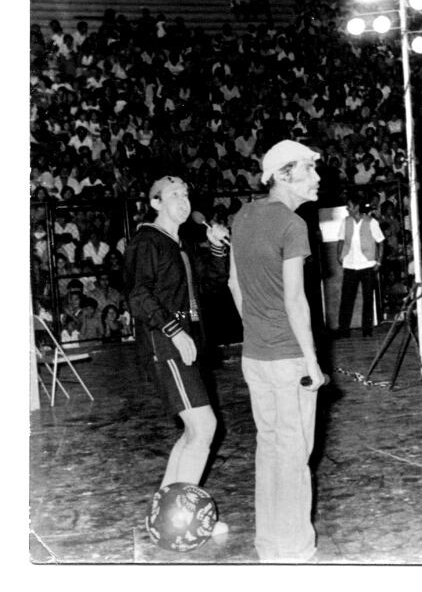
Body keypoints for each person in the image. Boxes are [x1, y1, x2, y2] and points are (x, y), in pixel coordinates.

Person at [228, 140, 327, 563]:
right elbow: (295, 299)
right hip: (289, 359)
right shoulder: (292, 224)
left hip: (255, 356)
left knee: (269, 451)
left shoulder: (243, 216)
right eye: (309, 169)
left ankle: (269, 546)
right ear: (285, 175)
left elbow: (234, 284)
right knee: (293, 456)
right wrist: (312, 361)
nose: (317, 178)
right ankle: (296, 551)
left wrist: (256, 331)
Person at [124, 175, 231, 504]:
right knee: (204, 427)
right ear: (155, 203)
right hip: (166, 344)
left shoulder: (180, 243)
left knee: (193, 431)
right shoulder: (146, 241)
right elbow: (138, 295)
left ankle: (166, 512)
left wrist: (216, 248)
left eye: (185, 194)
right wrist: (173, 330)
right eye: (173, 195)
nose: (183, 201)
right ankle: (181, 513)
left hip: (186, 343)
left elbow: (210, 286)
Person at [337, 199, 383, 338]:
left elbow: (381, 242)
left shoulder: (371, 222)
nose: (347, 209)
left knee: (368, 298)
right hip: (350, 264)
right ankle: (343, 330)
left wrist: (379, 261)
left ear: (357, 207)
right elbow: (341, 240)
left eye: (349, 206)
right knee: (346, 298)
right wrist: (339, 255)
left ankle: (367, 330)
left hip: (367, 265)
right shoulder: (345, 222)